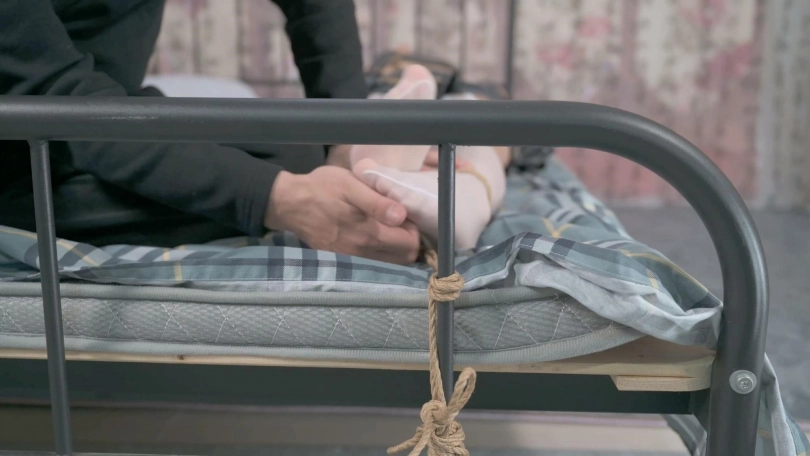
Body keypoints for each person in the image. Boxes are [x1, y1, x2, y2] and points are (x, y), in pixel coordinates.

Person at [0, 0, 421, 265]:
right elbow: (60, 97)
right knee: (288, 169)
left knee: (301, 152)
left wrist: (347, 136)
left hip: (110, 109)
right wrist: (281, 198)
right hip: (24, 159)